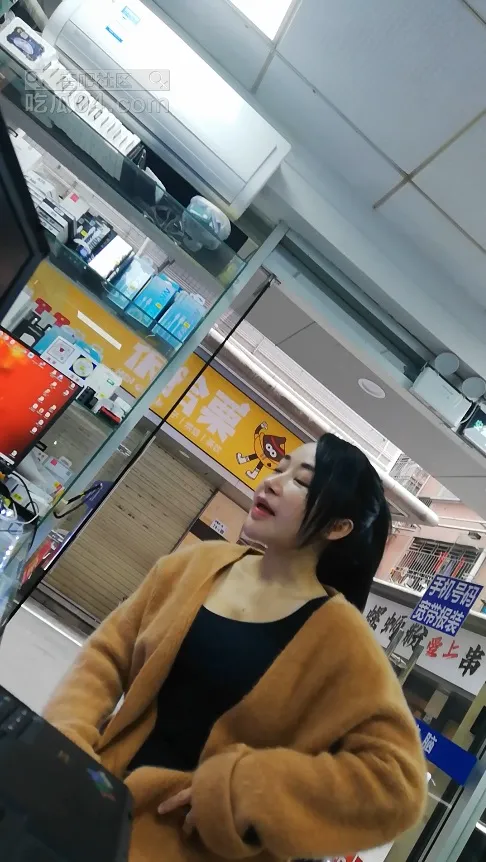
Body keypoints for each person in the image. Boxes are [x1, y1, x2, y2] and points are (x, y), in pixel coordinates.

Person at [44, 434, 427, 862]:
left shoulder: (341, 639)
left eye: (301, 481)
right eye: (278, 469)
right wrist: (67, 740)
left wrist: (246, 790)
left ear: (337, 527)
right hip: (90, 806)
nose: (272, 483)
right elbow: (106, 657)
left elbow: (397, 784)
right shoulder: (195, 565)